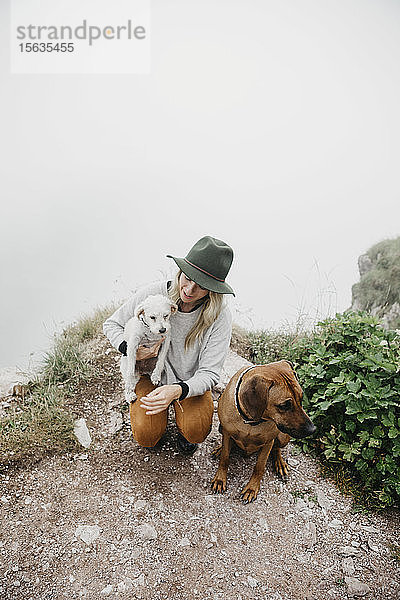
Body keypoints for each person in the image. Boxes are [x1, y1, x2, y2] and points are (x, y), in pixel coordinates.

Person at [103, 236, 235, 455]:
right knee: (147, 436)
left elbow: (210, 373)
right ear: (180, 271)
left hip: (187, 382)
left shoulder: (219, 316)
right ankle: (157, 422)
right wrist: (131, 351)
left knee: (197, 429)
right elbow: (111, 324)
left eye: (201, 286)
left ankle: (184, 429)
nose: (189, 290)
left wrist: (177, 390)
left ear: (213, 290)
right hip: (148, 374)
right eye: (187, 277)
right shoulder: (153, 295)